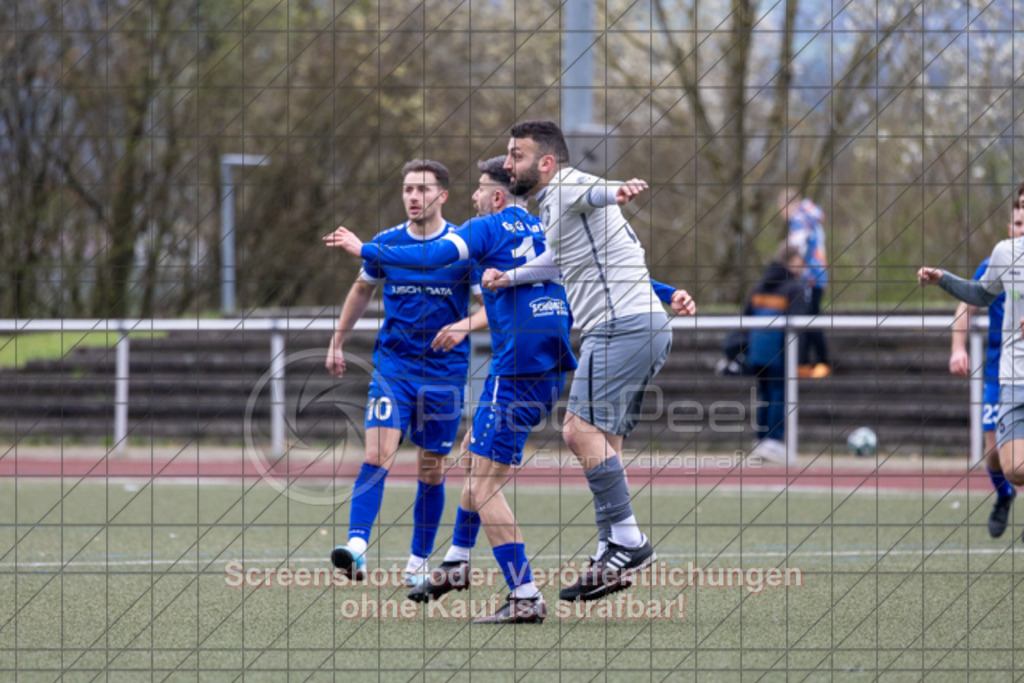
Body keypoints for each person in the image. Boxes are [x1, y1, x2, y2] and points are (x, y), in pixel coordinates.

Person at [326, 156, 577, 623]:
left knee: (459, 476)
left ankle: (493, 582)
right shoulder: (541, 230)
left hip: (477, 373)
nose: (414, 197)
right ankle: (413, 554)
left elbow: (444, 264)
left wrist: (365, 250)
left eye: (480, 189)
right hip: (415, 367)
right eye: (408, 189)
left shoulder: (476, 236)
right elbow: (577, 267)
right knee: (442, 461)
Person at [483, 120, 697, 602]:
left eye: (515, 155)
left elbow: (598, 191)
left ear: (545, 163)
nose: (506, 164)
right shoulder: (552, 206)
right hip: (639, 325)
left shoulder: (571, 184)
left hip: (620, 326)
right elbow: (560, 263)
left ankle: (629, 541)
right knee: (607, 444)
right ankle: (609, 553)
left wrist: (619, 191)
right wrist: (510, 277)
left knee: (578, 431)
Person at [324, 159, 487, 588]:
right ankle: (356, 546)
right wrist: (337, 340)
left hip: (444, 374)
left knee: (430, 470)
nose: (413, 197)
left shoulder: (463, 247)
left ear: (442, 195)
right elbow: (362, 288)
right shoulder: (388, 242)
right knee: (377, 455)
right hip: (393, 368)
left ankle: (417, 561)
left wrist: (462, 326)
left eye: (422, 189)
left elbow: (489, 307)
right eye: (408, 189)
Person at [918, 193, 1024, 542]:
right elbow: (974, 299)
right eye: (1019, 219)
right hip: (1005, 370)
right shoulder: (1002, 256)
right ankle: (1005, 494)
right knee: (1004, 461)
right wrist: (958, 347)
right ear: (1011, 226)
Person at [744, 242, 808, 464]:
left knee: (765, 395)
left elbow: (746, 316)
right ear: (791, 261)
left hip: (757, 350)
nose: (803, 266)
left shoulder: (759, 286)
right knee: (778, 394)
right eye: (800, 261)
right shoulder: (794, 288)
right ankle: (773, 441)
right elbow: (800, 325)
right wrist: (802, 359)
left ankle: (761, 440)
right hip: (779, 350)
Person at [779, 188, 830, 378]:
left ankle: (820, 361)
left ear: (787, 206)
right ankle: (807, 362)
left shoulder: (799, 220)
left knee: (810, 319)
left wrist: (787, 268)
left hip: (808, 278)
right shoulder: (811, 216)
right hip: (818, 275)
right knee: (810, 317)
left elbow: (795, 250)